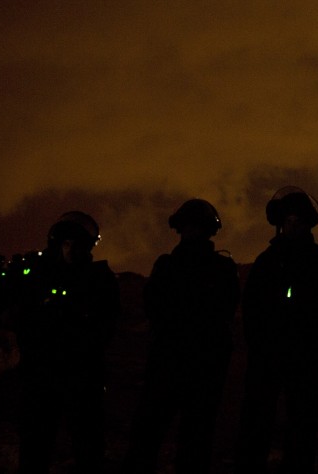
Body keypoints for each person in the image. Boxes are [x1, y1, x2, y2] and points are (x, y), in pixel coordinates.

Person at [123, 199, 240, 474]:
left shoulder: (171, 267)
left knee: (165, 437)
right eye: (188, 227)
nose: (190, 232)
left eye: (194, 227)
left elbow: (155, 309)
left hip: (180, 363)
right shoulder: (219, 268)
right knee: (184, 439)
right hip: (190, 364)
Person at [235, 186, 318, 474]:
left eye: (298, 221)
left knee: (301, 427)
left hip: (304, 358)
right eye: (289, 222)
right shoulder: (266, 263)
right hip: (268, 358)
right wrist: (258, 345)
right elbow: (252, 309)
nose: (293, 227)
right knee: (257, 424)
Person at [12, 211, 121, 474]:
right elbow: (22, 319)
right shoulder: (37, 276)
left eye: (78, 244)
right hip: (43, 373)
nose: (71, 249)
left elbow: (106, 326)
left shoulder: (100, 279)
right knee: (36, 444)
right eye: (66, 242)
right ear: (57, 242)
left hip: (82, 374)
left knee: (87, 444)